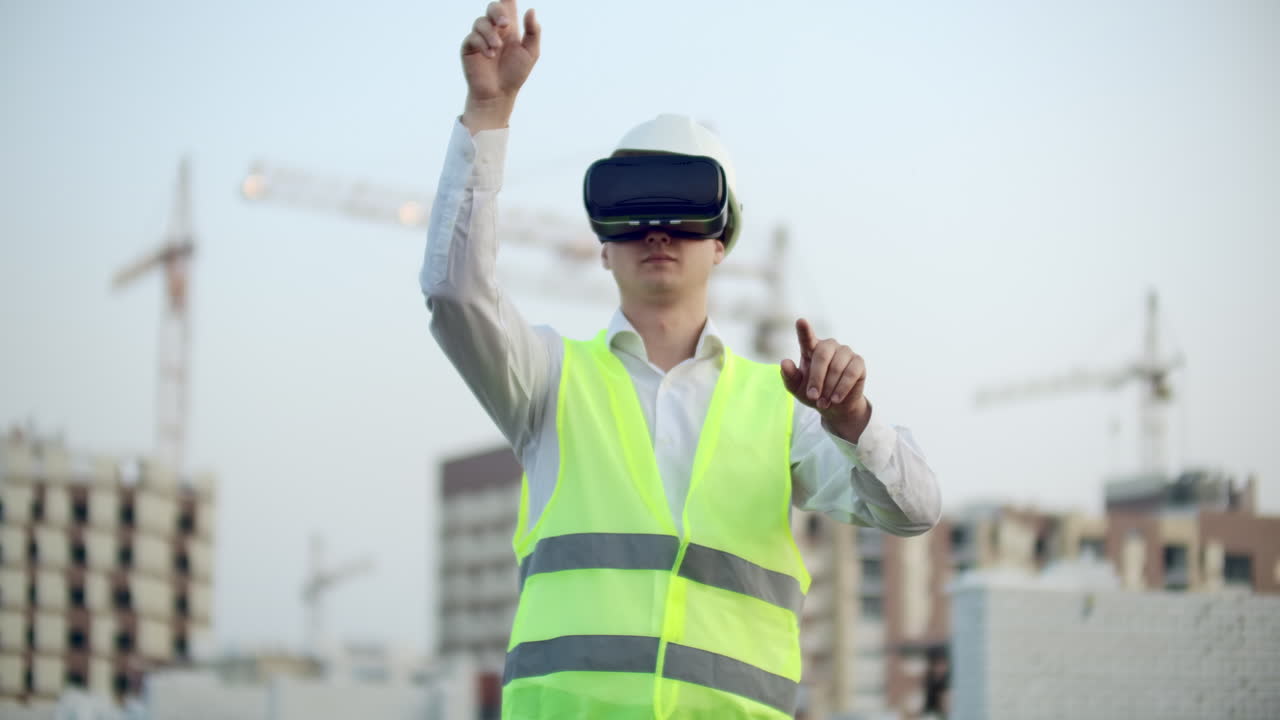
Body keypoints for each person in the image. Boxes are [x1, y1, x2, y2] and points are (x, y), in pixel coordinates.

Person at [422, 2, 941, 717]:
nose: (658, 230)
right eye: (632, 211)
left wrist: (856, 424)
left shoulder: (785, 408)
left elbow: (915, 510)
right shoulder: (546, 381)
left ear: (722, 242)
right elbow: (456, 292)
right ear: (602, 246)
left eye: (685, 211)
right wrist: (489, 111)